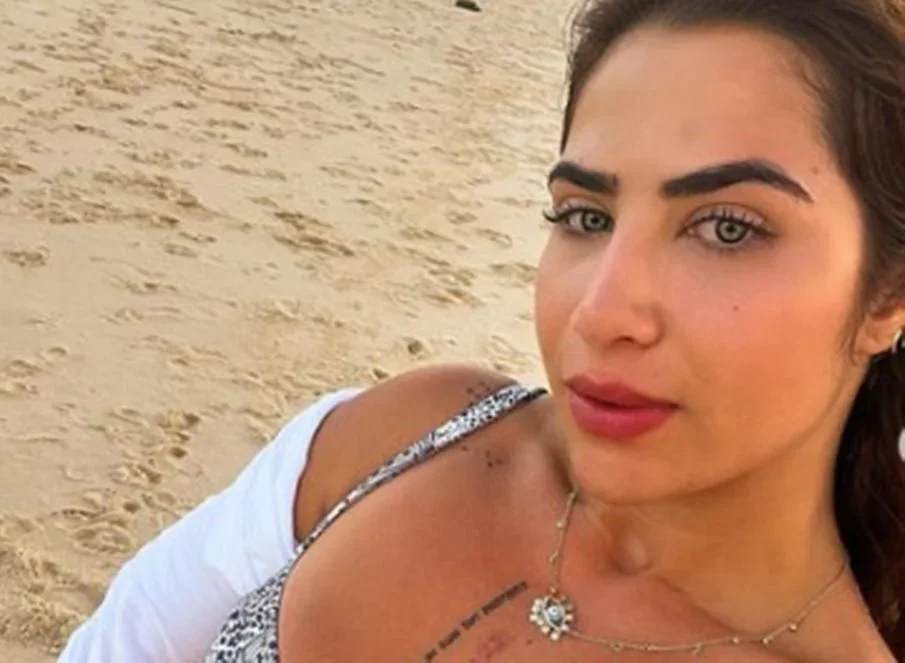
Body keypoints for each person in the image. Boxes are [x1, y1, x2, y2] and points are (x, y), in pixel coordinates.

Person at [60, 0, 905, 660]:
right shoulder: (409, 432)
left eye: (726, 228)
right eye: (585, 215)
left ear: (886, 296)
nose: (600, 311)